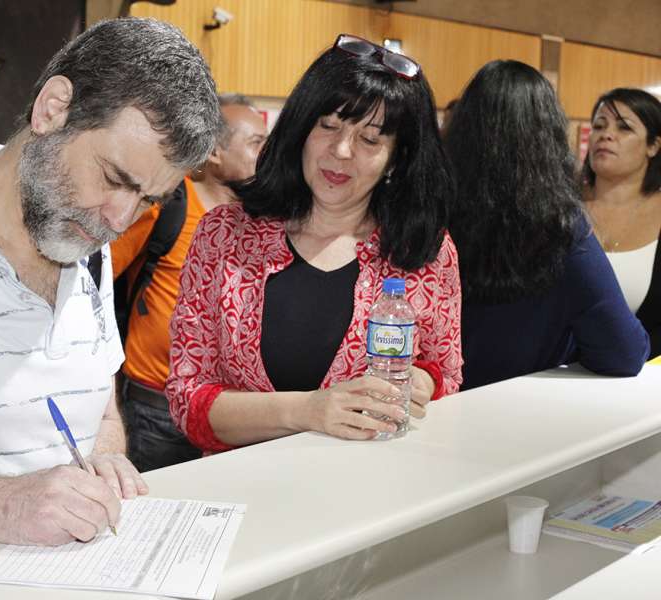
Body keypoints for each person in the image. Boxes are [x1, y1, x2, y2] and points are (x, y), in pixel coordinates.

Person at [0, 17, 221, 545]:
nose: (119, 219)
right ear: (54, 109)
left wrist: (104, 455)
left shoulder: (85, 243)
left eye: (146, 199)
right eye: (114, 178)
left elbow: (99, 404)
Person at [166, 34, 461, 454]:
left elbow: (446, 374)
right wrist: (309, 411)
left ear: (397, 159)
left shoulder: (424, 251)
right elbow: (188, 401)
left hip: (371, 498)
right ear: (302, 127)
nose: (341, 151)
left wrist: (425, 382)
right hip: (242, 495)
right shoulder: (225, 235)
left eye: (370, 139)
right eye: (328, 126)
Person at [443, 60, 649, 390]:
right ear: (550, 135)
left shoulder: (427, 211)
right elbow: (623, 351)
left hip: (420, 410)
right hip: (522, 417)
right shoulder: (561, 228)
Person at [111, 94, 267, 472]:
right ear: (214, 152)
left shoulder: (262, 219)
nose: (269, 153)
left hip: (227, 410)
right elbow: (96, 282)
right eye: (256, 143)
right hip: (155, 408)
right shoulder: (165, 204)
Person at [582, 88, 661, 358]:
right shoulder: (560, 208)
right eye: (598, 125)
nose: (606, 134)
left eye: (624, 127)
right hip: (556, 375)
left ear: (654, 145)